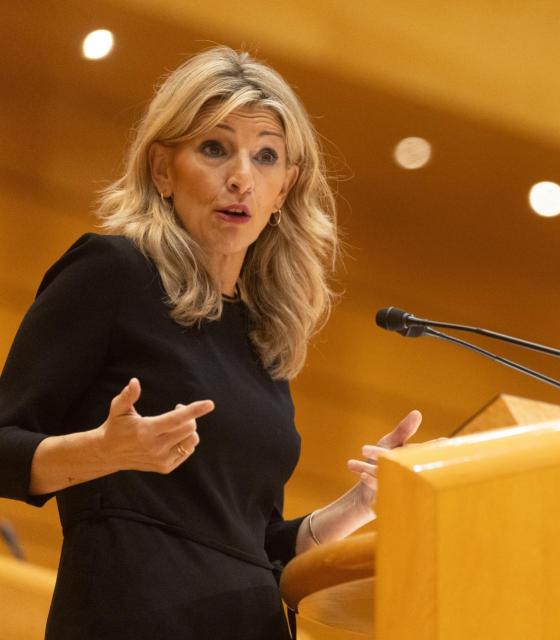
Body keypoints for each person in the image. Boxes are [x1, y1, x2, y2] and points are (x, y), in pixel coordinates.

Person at [0, 46, 420, 639]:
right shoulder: (113, 273)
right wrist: (104, 451)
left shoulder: (263, 334)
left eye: (266, 156)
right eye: (215, 148)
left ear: (284, 190)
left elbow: (253, 546)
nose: (242, 177)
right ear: (162, 170)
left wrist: (359, 504)